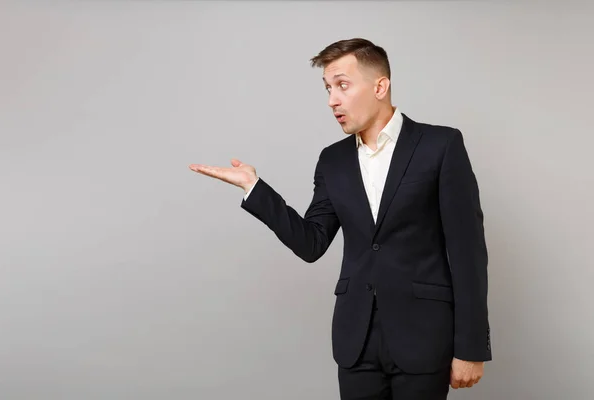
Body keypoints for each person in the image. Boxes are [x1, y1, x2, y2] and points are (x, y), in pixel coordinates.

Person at [189, 38, 491, 400]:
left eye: (342, 85)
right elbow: (311, 242)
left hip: (424, 337)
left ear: (380, 86)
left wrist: (471, 347)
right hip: (356, 342)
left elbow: (467, 252)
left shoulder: (440, 146)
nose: (332, 99)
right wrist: (254, 188)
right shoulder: (333, 160)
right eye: (328, 88)